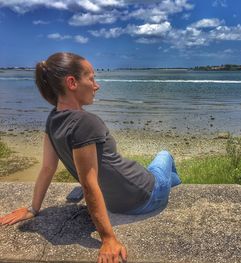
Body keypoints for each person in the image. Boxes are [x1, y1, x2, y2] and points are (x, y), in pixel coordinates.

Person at [0, 52, 181, 263]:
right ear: (72, 82)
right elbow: (88, 183)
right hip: (147, 194)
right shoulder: (86, 122)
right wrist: (108, 238)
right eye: (91, 78)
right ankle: (173, 183)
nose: (97, 86)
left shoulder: (52, 120)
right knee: (164, 154)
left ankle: (172, 182)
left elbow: (47, 168)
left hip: (117, 201)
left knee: (152, 169)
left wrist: (33, 209)